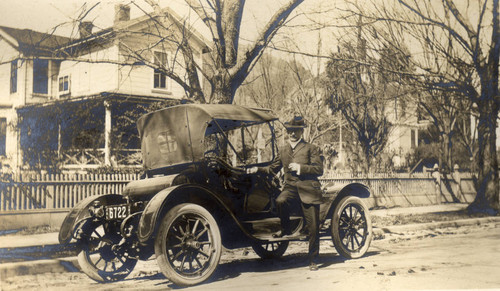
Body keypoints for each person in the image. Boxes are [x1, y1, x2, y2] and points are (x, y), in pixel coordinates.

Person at [248, 116, 324, 271]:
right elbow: (272, 168)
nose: (292, 134)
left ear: (301, 132)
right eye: (290, 131)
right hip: (290, 189)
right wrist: (257, 169)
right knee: (280, 201)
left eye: (295, 131)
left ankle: (313, 260)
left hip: (308, 188)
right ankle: (286, 228)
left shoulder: (310, 148)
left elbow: (319, 169)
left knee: (314, 227)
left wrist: (301, 168)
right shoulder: (283, 149)